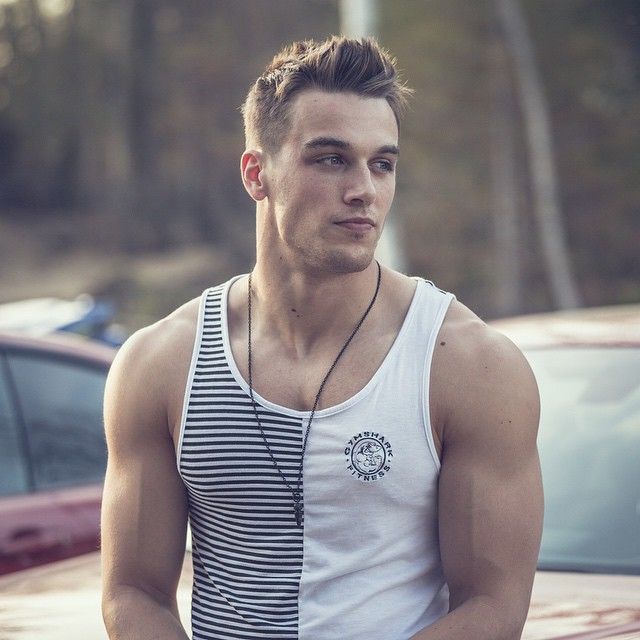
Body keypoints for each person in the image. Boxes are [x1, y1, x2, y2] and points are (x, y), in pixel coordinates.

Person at [101, 36, 543, 640]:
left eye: (382, 164)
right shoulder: (162, 363)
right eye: (332, 159)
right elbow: (133, 593)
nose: (364, 189)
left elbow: (493, 608)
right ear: (256, 173)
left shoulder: (468, 364)